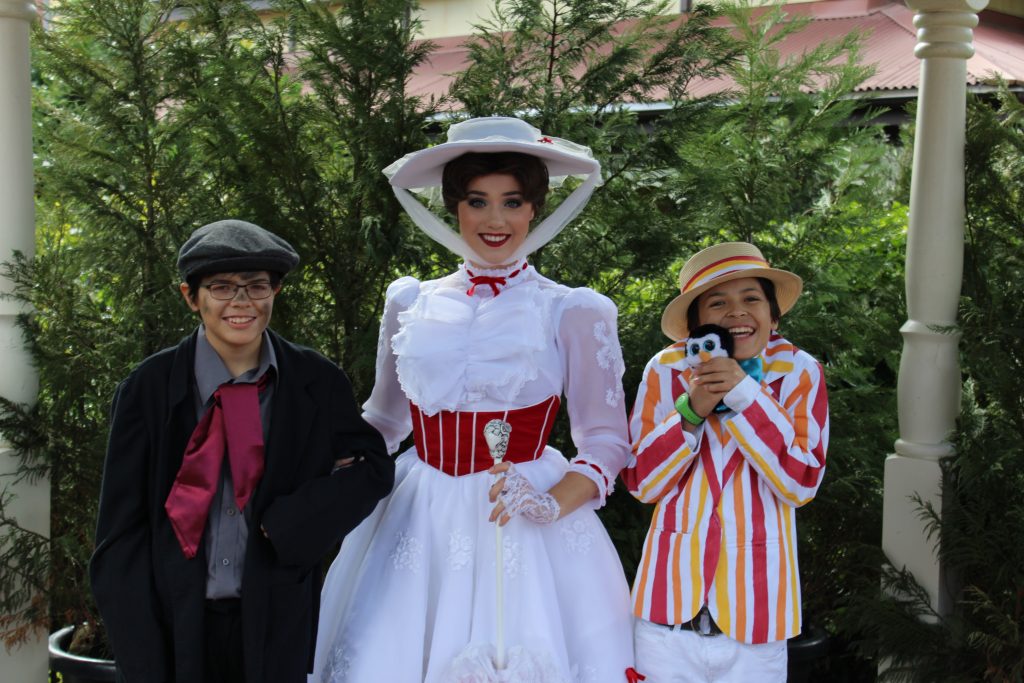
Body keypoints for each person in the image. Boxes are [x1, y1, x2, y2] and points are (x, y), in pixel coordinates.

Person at [310, 117, 635, 682]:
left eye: (512, 202)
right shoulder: (411, 301)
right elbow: (386, 418)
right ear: (454, 206)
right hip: (417, 517)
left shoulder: (574, 310)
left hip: (528, 518)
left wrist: (551, 503)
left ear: (534, 208)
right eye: (477, 201)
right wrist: (320, 469)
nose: (495, 220)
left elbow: (606, 440)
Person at [89, 219, 394, 683]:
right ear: (191, 296)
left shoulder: (315, 381)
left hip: (276, 616)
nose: (241, 302)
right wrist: (141, 653)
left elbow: (372, 467)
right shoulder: (148, 389)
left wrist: (293, 521)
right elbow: (119, 537)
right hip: (175, 623)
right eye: (222, 287)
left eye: (257, 287)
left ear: (275, 292)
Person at [622, 241, 829, 682]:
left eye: (751, 299)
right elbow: (641, 482)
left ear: (773, 317)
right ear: (695, 324)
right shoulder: (664, 369)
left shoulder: (800, 371)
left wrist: (744, 395)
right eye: (718, 302)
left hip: (757, 625)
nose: (737, 312)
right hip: (665, 622)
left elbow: (801, 482)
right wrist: (691, 409)